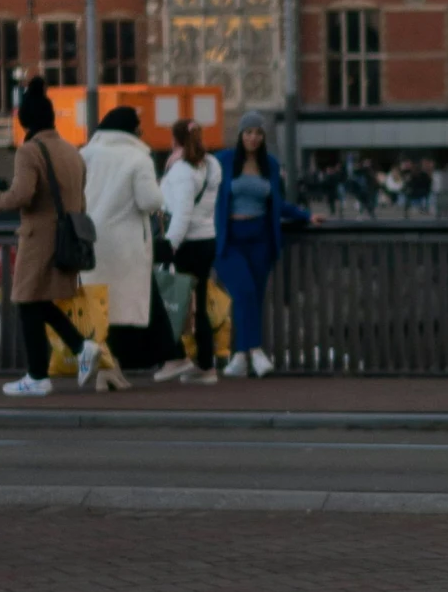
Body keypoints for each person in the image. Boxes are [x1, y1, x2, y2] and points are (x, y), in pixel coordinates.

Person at [0, 76, 107, 398]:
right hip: (66, 235)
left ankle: (38, 376)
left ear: (25, 119)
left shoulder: (30, 150)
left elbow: (23, 194)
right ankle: (81, 348)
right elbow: (80, 199)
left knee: (27, 301)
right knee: (39, 301)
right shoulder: (72, 151)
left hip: (38, 236)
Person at [82, 104, 179, 378]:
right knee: (128, 305)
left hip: (91, 240)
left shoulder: (86, 154)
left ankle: (108, 370)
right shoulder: (138, 158)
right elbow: (149, 200)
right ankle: (116, 368)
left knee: (102, 305)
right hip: (126, 244)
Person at [213, 110, 308, 377]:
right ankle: (255, 350)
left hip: (260, 238)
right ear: (240, 135)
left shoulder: (271, 165)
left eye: (258, 133)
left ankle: (241, 358)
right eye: (249, 132)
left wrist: (307, 216)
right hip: (230, 239)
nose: (253, 138)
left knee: (254, 296)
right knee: (242, 292)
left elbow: (278, 204)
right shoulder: (224, 161)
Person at [160, 116, 222, 383]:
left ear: (175, 140)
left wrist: (170, 245)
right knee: (199, 304)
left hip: (187, 242)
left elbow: (182, 212)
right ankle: (207, 365)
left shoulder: (182, 171)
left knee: (169, 301)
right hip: (207, 238)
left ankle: (175, 357)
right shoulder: (211, 165)